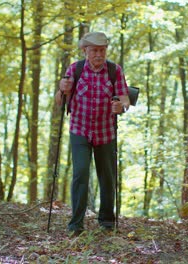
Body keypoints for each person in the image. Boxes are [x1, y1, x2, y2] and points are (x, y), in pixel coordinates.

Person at [55, 32, 130, 234]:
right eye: (95, 50)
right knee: (80, 174)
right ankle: (76, 224)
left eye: (102, 50)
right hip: (80, 130)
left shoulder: (114, 70)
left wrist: (121, 107)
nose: (99, 54)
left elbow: (124, 98)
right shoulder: (75, 69)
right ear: (85, 51)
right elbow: (59, 101)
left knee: (107, 177)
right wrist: (62, 89)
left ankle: (106, 221)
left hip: (105, 132)